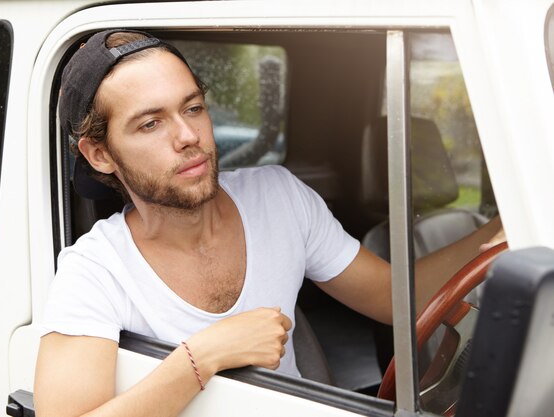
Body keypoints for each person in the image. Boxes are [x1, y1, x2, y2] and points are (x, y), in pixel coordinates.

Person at [34, 29, 504, 417]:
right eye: (150, 124)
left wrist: (500, 231)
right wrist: (203, 358)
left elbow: (394, 300)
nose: (188, 136)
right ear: (100, 154)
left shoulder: (277, 196)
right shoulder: (95, 270)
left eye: (193, 107)